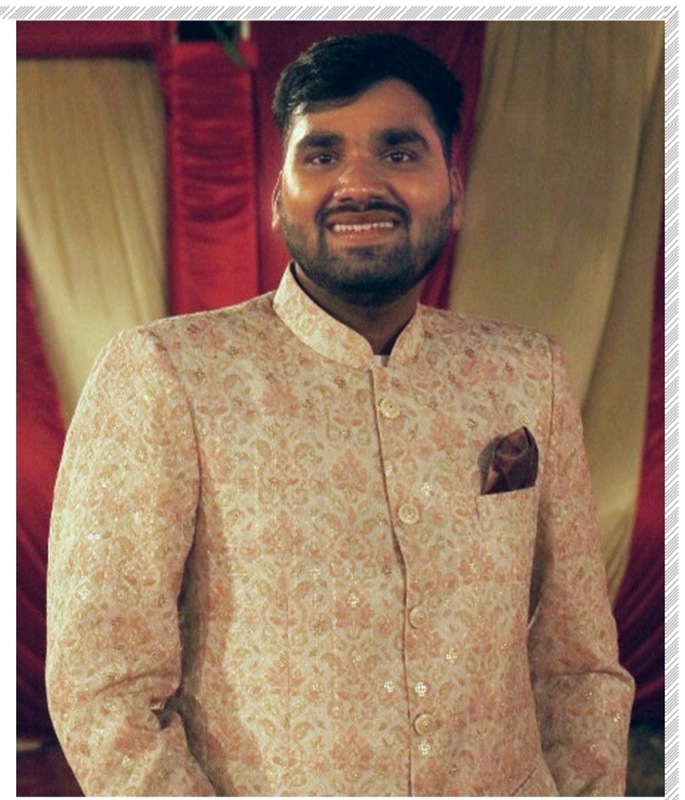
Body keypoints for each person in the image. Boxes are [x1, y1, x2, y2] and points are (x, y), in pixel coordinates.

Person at [46, 33, 634, 796]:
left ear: (454, 190)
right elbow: (104, 687)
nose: (357, 183)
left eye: (399, 152)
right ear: (277, 196)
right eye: (321, 154)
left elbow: (578, 664)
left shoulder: (526, 374)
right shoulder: (169, 375)